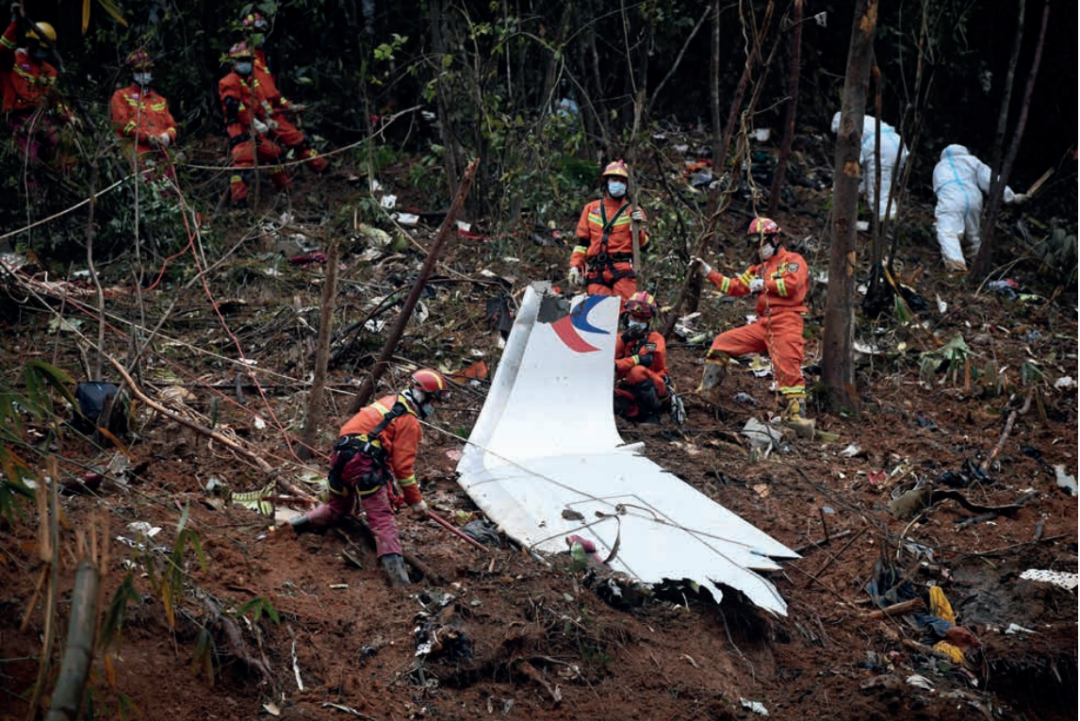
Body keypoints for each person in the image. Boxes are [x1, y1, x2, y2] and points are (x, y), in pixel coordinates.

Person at [290, 369, 451, 586]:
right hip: (363, 463)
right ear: (422, 396)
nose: (433, 407)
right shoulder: (409, 421)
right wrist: (416, 502)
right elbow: (403, 469)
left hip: (340, 456)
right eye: (433, 401)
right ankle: (401, 585)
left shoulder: (388, 401)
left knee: (338, 509)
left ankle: (290, 528)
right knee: (383, 521)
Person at [692, 217, 814, 437]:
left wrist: (766, 285)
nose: (758, 247)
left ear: (775, 238)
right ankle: (707, 394)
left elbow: (793, 286)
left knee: (788, 370)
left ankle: (796, 419)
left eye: (761, 241)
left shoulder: (793, 261)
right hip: (763, 323)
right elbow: (734, 287)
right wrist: (708, 272)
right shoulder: (758, 268)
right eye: (754, 243)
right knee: (721, 343)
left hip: (786, 321)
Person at [234, 12, 328, 173]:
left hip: (272, 114)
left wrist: (290, 105)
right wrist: (262, 118)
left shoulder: (261, 59)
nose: (261, 37)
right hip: (263, 117)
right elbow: (251, 96)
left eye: (262, 33)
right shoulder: (247, 61)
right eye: (257, 33)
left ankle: (285, 187)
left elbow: (272, 93)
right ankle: (323, 169)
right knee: (298, 142)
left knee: (276, 155)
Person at [1, 4, 77, 182]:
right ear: (30, 43)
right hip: (18, 119)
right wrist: (15, 23)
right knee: (29, 161)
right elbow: (3, 48)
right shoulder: (14, 60)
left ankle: (66, 186)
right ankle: (34, 202)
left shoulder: (49, 71)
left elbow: (56, 100)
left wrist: (69, 116)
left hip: (42, 119)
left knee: (63, 146)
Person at [932, 144, 1026, 274]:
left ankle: (957, 267)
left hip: (950, 197)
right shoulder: (972, 161)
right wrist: (1011, 197)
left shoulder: (939, 167)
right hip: (973, 197)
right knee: (973, 236)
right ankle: (980, 269)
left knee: (948, 231)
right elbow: (991, 180)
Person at [218, 41, 291, 208]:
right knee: (243, 163)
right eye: (241, 60)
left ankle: (284, 190)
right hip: (239, 131)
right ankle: (239, 204)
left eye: (247, 60)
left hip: (255, 132)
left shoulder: (251, 81)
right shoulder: (229, 82)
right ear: (234, 63)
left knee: (275, 154)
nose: (245, 64)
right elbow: (235, 107)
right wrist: (256, 124)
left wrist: (267, 119)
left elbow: (258, 105)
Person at [569, 160, 649, 300]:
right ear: (606, 182)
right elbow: (582, 243)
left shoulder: (634, 211)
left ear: (627, 185)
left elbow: (645, 245)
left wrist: (637, 229)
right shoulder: (591, 209)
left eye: (622, 181)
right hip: (596, 271)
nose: (618, 184)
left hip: (623, 270)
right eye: (614, 179)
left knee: (626, 310)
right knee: (597, 314)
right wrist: (575, 266)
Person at [109, 50, 177, 180]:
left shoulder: (159, 100)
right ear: (131, 73)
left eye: (147, 71)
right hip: (136, 156)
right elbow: (122, 124)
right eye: (140, 71)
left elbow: (171, 125)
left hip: (161, 158)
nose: (144, 74)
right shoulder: (121, 96)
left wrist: (167, 136)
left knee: (168, 193)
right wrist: (146, 137)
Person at [831, 111, 908, 221]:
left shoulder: (848, 127)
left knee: (878, 192)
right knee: (887, 185)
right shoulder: (866, 120)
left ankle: (886, 225)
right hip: (898, 143)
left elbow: (851, 162)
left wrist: (838, 187)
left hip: (881, 148)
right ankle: (888, 219)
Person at [614, 291, 670, 423]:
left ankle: (653, 415)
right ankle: (630, 415)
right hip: (626, 388)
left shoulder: (655, 339)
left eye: (642, 319)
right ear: (627, 317)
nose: (637, 322)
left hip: (654, 386)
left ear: (649, 320)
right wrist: (623, 340)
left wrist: (617, 365)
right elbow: (608, 358)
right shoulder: (620, 338)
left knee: (636, 371)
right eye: (634, 317)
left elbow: (645, 359)